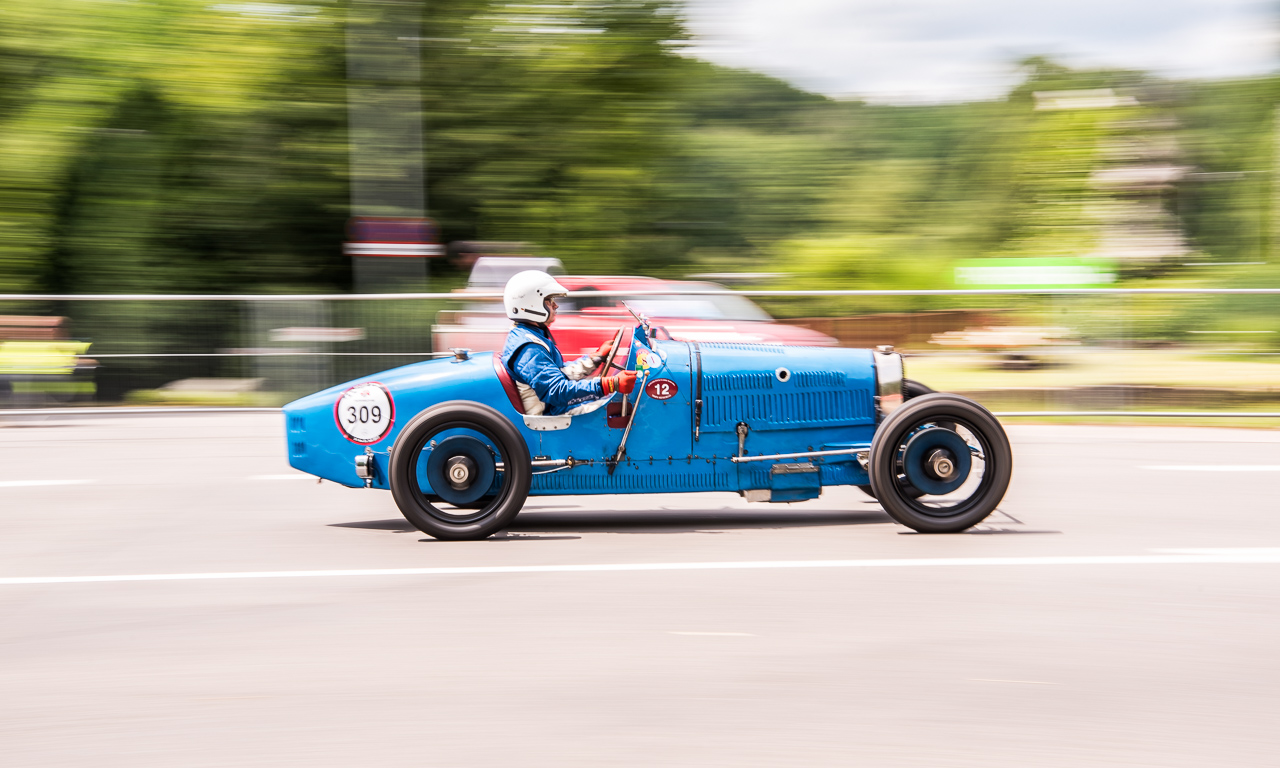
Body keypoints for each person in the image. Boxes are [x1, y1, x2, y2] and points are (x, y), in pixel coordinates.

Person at [501, 270, 637, 416]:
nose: (555, 306)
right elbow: (557, 391)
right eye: (549, 301)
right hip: (550, 415)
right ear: (531, 305)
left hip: (553, 406)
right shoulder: (529, 347)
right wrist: (610, 384)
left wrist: (595, 359)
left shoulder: (529, 335)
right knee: (621, 411)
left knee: (616, 404)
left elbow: (558, 374)